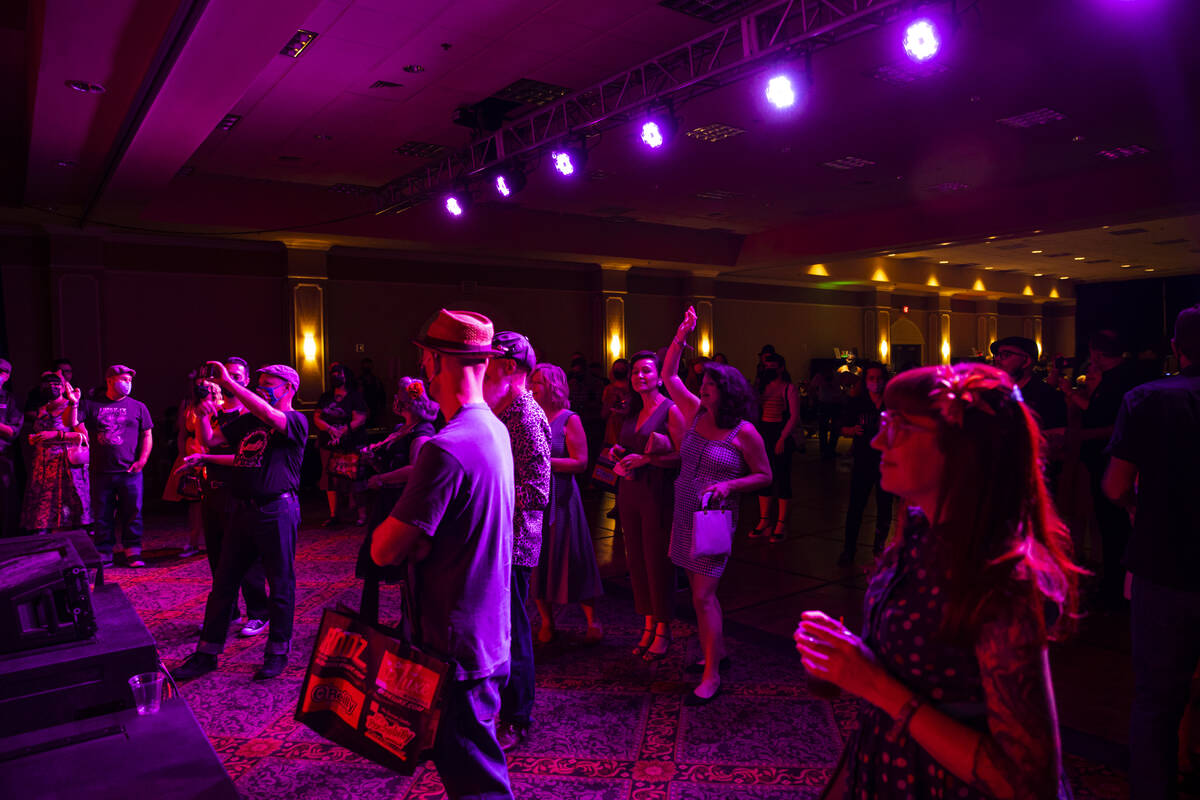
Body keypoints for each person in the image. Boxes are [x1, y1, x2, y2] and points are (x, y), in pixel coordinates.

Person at [796, 363, 1081, 799]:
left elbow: (1027, 780)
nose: (876, 441)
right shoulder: (917, 529)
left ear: (963, 447)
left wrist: (873, 682)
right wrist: (852, 658)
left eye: (901, 427)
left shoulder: (1003, 578)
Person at [371, 309, 515, 800]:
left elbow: (385, 551)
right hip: (488, 635)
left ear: (433, 361)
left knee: (479, 788)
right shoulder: (494, 430)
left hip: (454, 647)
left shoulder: (445, 447)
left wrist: (409, 536)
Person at [1102, 304, 1200, 799]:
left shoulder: (1148, 399)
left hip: (1165, 566)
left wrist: (1143, 509)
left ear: (1178, 349)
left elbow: (1116, 485)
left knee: (1157, 699)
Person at [663, 307, 772, 704]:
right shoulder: (695, 414)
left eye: (710, 384)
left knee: (702, 596)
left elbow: (765, 476)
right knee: (697, 591)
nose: (703, 387)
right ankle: (719, 651)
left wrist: (730, 484)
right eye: (703, 383)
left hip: (714, 518)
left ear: (728, 390)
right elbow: (669, 376)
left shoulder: (744, 432)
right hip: (684, 510)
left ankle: (711, 674)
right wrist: (681, 335)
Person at [174, 363, 308, 682]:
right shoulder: (249, 421)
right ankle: (207, 653)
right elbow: (210, 440)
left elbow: (269, 415)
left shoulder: (294, 420)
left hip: (277, 509)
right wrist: (204, 413)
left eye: (269, 384)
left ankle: (277, 650)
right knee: (223, 582)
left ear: (288, 388)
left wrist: (232, 386)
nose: (262, 389)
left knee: (280, 583)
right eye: (259, 384)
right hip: (242, 509)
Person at [483, 330, 551, 753]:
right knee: (499, 629)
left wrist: (487, 495)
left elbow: (538, 491)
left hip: (516, 543)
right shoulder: (502, 409)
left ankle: (517, 717)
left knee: (514, 630)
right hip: (498, 538)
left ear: (509, 367)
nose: (482, 369)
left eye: (490, 361)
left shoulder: (525, 416)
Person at [610, 349, 684, 663]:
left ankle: (664, 627)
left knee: (656, 559)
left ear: (658, 377)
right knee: (635, 559)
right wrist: (618, 453)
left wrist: (648, 459)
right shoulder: (630, 410)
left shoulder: (671, 411)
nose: (640, 376)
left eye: (647, 371)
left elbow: (683, 455)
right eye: (636, 372)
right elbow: (627, 446)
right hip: (630, 488)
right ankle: (647, 623)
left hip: (657, 492)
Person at [1066, 329, 1143, 609]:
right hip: (1108, 463)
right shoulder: (1122, 378)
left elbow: (1116, 428)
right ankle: (1115, 587)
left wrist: (1080, 436)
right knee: (1112, 529)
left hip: (1111, 465)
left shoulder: (1116, 382)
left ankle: (1115, 591)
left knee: (1114, 529)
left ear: (1096, 353)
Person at [529, 363, 604, 644]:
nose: (531, 386)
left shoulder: (569, 419)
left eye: (537, 381)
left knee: (574, 557)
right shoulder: (529, 418)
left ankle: (591, 619)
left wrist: (543, 464)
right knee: (538, 560)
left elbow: (581, 462)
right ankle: (547, 621)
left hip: (562, 500)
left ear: (553, 386)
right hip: (535, 499)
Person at [198, 357, 270, 637]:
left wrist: (205, 456)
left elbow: (246, 456)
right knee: (217, 556)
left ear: (246, 380)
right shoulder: (216, 411)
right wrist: (202, 413)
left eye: (237, 376)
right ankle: (229, 611)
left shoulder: (251, 413)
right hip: (212, 488)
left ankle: (258, 613)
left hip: (241, 490)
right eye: (227, 376)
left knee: (248, 557)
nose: (232, 381)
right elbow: (205, 441)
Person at [356, 376, 437, 623]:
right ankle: (367, 620)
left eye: (398, 398)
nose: (394, 402)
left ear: (408, 403)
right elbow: (389, 464)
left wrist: (382, 479)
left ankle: (408, 623)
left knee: (404, 565)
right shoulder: (399, 430)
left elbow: (415, 469)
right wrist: (373, 460)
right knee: (372, 559)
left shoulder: (422, 432)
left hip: (402, 500)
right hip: (386, 498)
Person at [81, 365, 153, 567]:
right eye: (124, 379)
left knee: (133, 511)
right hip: (101, 470)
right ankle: (104, 550)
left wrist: (143, 460)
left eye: (130, 380)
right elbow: (71, 421)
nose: (128, 383)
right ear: (110, 380)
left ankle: (133, 550)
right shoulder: (91, 405)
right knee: (102, 512)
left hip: (130, 470)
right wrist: (71, 403)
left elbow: (147, 434)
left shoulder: (138, 407)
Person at [837, 362, 894, 567]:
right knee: (856, 507)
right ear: (866, 381)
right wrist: (852, 430)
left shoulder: (891, 403)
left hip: (886, 462)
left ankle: (879, 550)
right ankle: (849, 550)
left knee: (885, 508)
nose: (876, 382)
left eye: (879, 378)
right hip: (863, 460)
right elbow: (842, 428)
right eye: (871, 378)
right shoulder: (857, 403)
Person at [20, 372, 91, 534]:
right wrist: (36, 438)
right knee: (43, 505)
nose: (52, 387)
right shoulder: (43, 408)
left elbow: (84, 437)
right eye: (47, 384)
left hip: (64, 464)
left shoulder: (70, 406)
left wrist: (56, 435)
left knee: (65, 505)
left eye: (56, 384)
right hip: (43, 464)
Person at [314, 362, 369, 527]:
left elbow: (360, 419)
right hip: (329, 444)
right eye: (332, 373)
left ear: (346, 376)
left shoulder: (354, 396)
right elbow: (317, 417)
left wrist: (343, 430)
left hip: (351, 444)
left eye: (338, 373)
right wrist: (330, 428)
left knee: (355, 479)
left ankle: (361, 515)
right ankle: (334, 515)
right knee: (330, 480)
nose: (335, 376)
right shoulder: (326, 397)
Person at [753, 352, 800, 543]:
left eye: (773, 367)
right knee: (764, 476)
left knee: (782, 477)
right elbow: (754, 408)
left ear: (781, 368)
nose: (769, 370)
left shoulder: (789, 388)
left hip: (780, 432)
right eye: (767, 367)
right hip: (764, 433)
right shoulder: (762, 387)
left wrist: (782, 439)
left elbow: (794, 416)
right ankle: (764, 520)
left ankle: (781, 522)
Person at [164, 369, 208, 558]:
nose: (202, 386)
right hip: (191, 452)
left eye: (205, 383)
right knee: (194, 501)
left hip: (210, 454)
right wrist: (183, 456)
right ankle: (193, 541)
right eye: (198, 383)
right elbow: (181, 433)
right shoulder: (188, 404)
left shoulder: (219, 403)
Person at [0, 358, 24, 536]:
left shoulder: (9, 400)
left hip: (2, 459)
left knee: (3, 502)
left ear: (7, 376)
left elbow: (12, 431)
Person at [811, 365, 844, 459]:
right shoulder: (833, 375)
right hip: (829, 403)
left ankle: (827, 451)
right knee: (829, 428)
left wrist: (815, 397)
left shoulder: (821, 376)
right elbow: (812, 387)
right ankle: (828, 450)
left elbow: (812, 387)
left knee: (827, 428)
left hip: (829, 403)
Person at [600, 358, 632, 448]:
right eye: (617, 369)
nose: (618, 371)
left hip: (629, 428)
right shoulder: (609, 389)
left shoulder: (634, 388)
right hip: (613, 429)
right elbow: (604, 414)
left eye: (621, 369)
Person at [357, 357, 388, 425]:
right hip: (362, 410)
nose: (367, 367)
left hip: (375, 409)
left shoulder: (376, 381)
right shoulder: (359, 381)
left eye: (368, 366)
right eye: (365, 366)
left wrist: (382, 409)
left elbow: (382, 396)